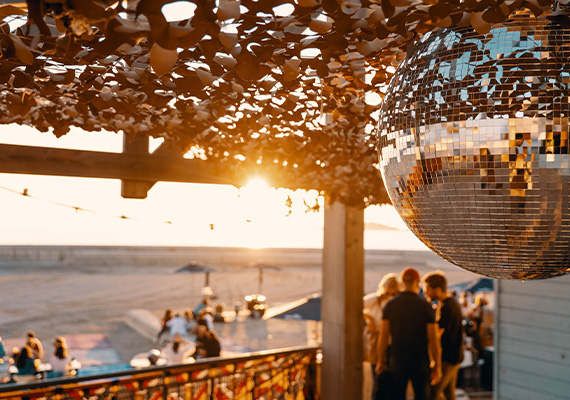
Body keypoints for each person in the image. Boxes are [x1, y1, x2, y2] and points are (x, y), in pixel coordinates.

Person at [376, 267, 442, 400]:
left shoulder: (390, 305)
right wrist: (437, 365)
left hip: (397, 360)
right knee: (421, 396)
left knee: (397, 396)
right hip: (420, 361)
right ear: (417, 282)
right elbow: (433, 339)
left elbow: (383, 336)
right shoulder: (425, 307)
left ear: (402, 282)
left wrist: (380, 361)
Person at [423, 271, 464, 400]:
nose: (425, 292)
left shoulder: (447, 308)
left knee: (432, 392)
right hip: (455, 357)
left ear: (438, 290)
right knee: (449, 394)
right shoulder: (448, 303)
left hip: (449, 359)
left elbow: (436, 334)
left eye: (428, 289)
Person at [363, 273, 400, 400]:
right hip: (377, 344)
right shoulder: (373, 300)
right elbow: (354, 307)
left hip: (393, 345)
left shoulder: (397, 302)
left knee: (393, 381)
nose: (390, 296)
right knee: (378, 379)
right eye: (387, 293)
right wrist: (369, 320)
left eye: (393, 294)